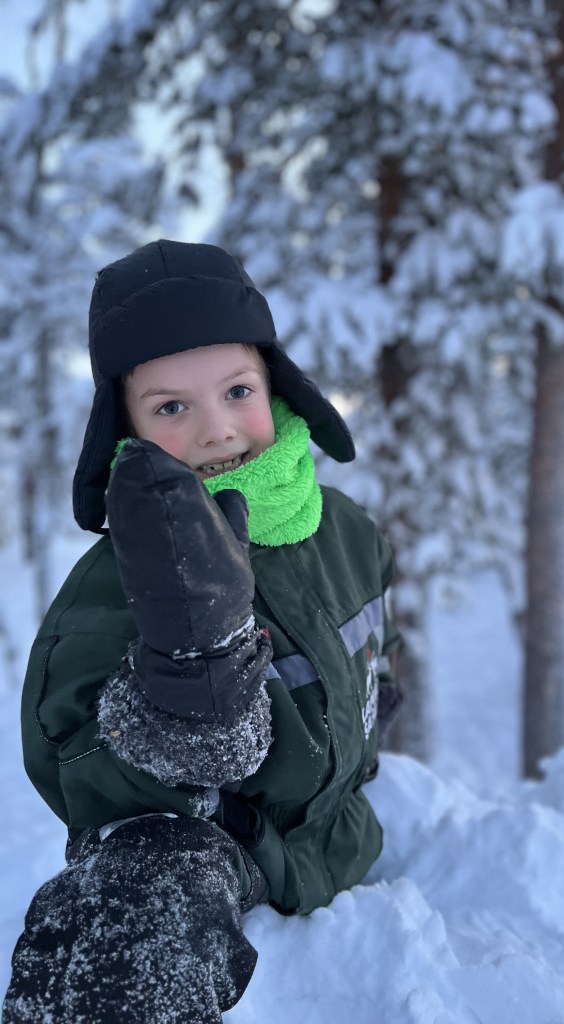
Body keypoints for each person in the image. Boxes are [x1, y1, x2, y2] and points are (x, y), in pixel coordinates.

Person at [3, 239, 402, 1023]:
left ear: (278, 384)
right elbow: (104, 797)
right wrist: (196, 676)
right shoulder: (111, 589)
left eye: (237, 389)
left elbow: (376, 661)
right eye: (172, 407)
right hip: (214, 859)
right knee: (135, 900)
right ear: (125, 425)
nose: (217, 430)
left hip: (339, 845)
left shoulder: (347, 531)